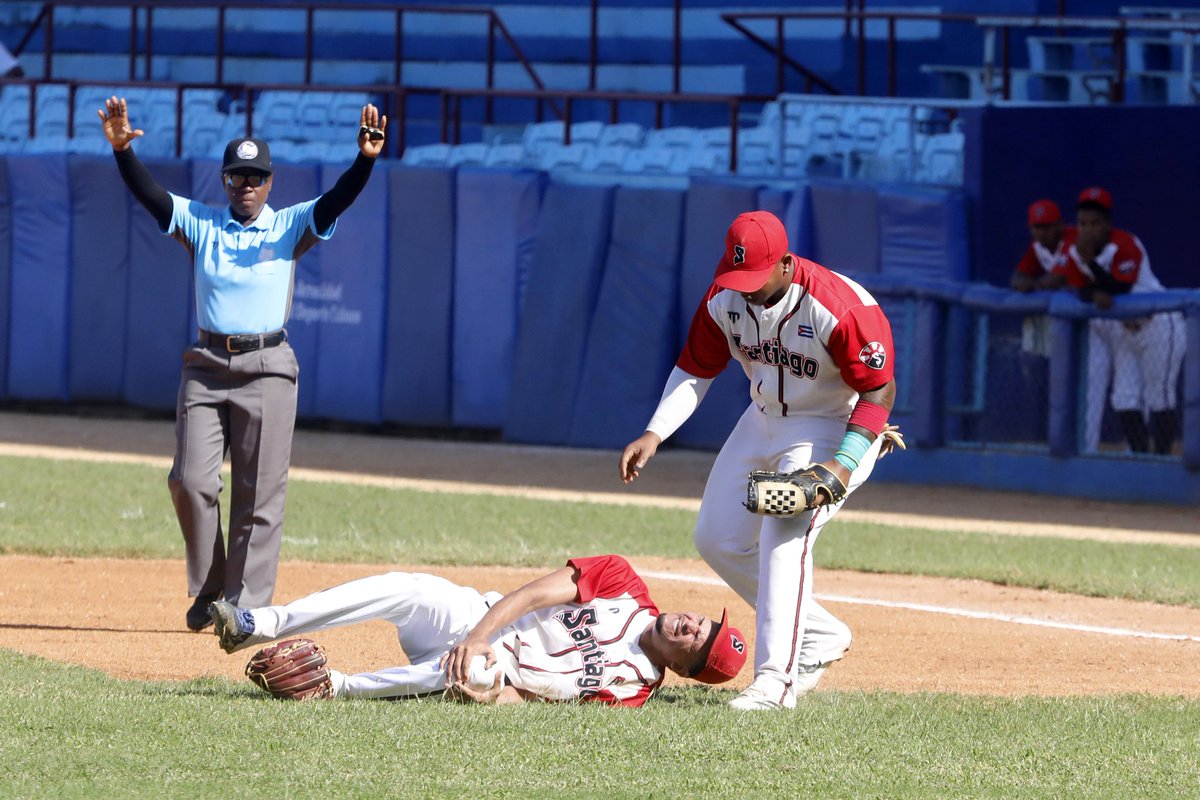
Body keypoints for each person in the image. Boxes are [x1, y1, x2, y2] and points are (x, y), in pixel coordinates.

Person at [98, 95, 387, 630]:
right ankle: (212, 588)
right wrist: (122, 153)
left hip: (269, 366)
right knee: (190, 480)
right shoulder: (202, 224)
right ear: (225, 181)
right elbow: (154, 198)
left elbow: (336, 202)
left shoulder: (288, 226)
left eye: (256, 177)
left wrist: (364, 162)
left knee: (260, 492)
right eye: (237, 177)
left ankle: (244, 610)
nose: (246, 186)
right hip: (206, 365)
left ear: (270, 183)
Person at [619, 210, 896, 711]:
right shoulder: (724, 296)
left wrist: (842, 465)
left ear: (787, 264)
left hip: (834, 424)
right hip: (764, 414)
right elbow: (695, 368)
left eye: (755, 277)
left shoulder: (841, 308)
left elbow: (879, 390)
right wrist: (655, 432)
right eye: (736, 275)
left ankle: (776, 683)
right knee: (717, 538)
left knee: (783, 531)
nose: (744, 288)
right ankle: (819, 634)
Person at [207, 554, 747, 706]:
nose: (693, 625)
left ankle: (338, 686)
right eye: (705, 622)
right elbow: (533, 594)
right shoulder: (623, 582)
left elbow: (545, 704)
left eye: (699, 642)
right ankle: (259, 624)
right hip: (477, 617)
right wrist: (478, 633)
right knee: (410, 586)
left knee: (480, 670)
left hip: (495, 668)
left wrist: (491, 698)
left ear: (683, 669)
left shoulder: (632, 692)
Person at [1057, 186, 1185, 455]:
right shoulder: (1073, 251)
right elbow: (1079, 289)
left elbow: (1119, 288)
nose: (1088, 229)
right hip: (1125, 329)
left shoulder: (1126, 243)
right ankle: (1139, 457)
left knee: (1159, 396)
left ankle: (1160, 462)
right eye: (1082, 223)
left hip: (1159, 324)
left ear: (1107, 224)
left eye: (1095, 223)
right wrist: (1094, 289)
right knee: (1124, 398)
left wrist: (1091, 265)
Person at [1009, 199, 1077, 442]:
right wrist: (1035, 284)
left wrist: (1035, 285)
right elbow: (1017, 279)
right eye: (1037, 227)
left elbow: (1057, 279)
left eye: (1047, 226)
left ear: (1059, 225)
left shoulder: (1072, 238)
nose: (1041, 232)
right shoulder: (1038, 247)